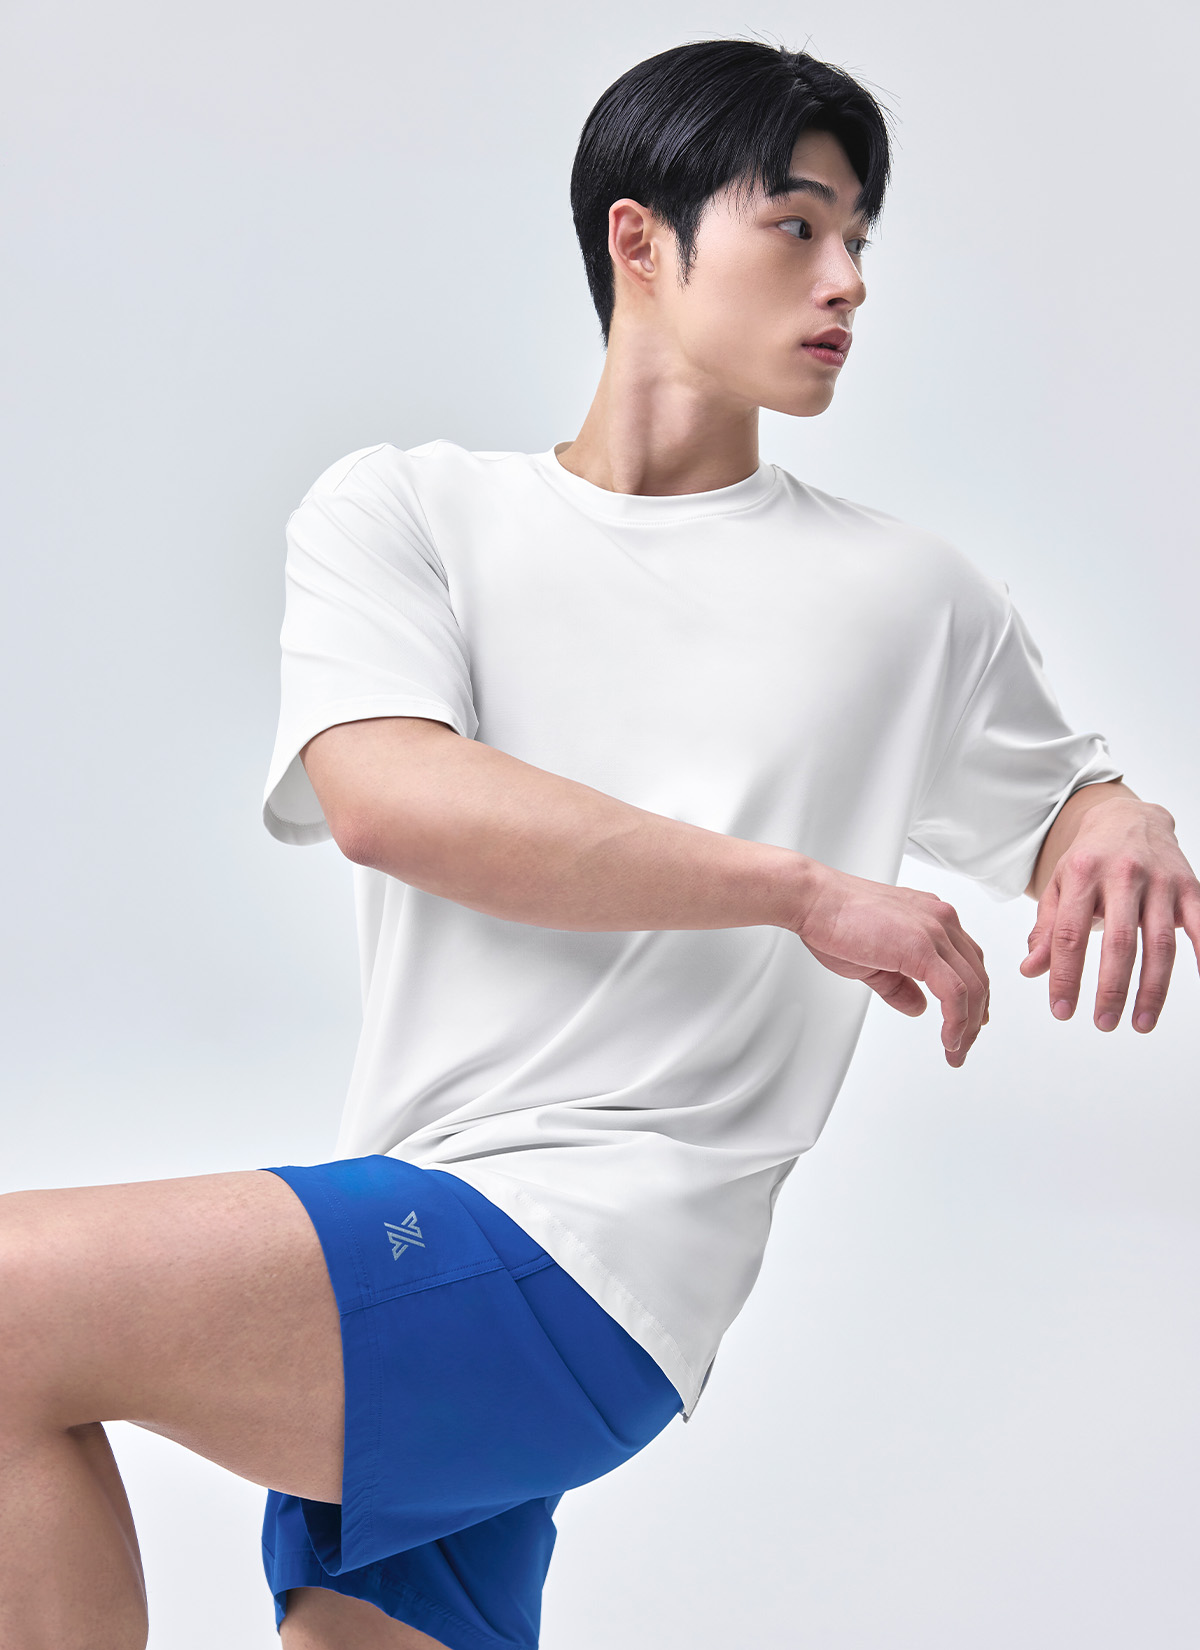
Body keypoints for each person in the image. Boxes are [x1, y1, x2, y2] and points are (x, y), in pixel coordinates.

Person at [2, 35, 1197, 1650]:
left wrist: (1120, 815)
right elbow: (388, 797)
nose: (848, 278)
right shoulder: (411, 513)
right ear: (640, 239)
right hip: (426, 1231)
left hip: (579, 1264)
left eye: (860, 240)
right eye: (797, 224)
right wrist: (800, 891)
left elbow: (1067, 803)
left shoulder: (908, 599)